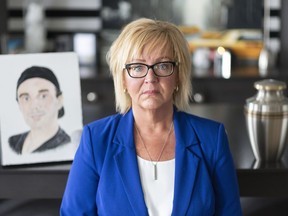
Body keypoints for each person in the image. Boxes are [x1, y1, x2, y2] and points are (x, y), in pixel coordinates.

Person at [60, 18, 242, 215]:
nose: (150, 78)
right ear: (123, 79)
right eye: (137, 67)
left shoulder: (212, 139)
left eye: (162, 66)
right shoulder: (95, 140)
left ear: (178, 75)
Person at [9, 66, 71, 154]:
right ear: (19, 104)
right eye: (26, 98)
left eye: (43, 96)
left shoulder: (66, 146)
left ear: (59, 100)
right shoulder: (12, 143)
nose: (34, 106)